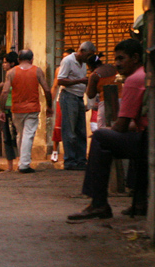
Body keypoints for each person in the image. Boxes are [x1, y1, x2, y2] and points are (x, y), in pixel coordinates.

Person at [68, 39, 147, 221]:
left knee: (100, 138)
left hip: (145, 139)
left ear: (135, 58)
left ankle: (98, 203)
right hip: (145, 134)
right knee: (104, 135)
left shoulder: (133, 80)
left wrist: (109, 130)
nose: (117, 63)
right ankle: (140, 201)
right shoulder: (143, 75)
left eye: (121, 58)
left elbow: (122, 125)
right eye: (115, 59)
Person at [0, 49, 53, 174]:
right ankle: (24, 164)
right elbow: (47, 90)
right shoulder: (37, 71)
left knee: (21, 134)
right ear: (31, 59)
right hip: (32, 108)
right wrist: (49, 106)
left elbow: (5, 91)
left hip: (16, 108)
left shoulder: (11, 72)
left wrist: (1, 109)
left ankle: (22, 161)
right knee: (28, 134)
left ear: (18, 60)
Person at [56, 41, 95, 171]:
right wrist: (79, 81)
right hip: (68, 96)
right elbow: (60, 80)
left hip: (78, 97)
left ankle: (81, 160)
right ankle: (70, 160)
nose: (88, 58)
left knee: (81, 131)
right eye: (88, 55)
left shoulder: (83, 64)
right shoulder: (68, 61)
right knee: (69, 130)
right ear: (82, 51)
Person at [49, 48, 74, 162]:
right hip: (61, 99)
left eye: (66, 56)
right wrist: (50, 103)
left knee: (72, 127)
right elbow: (55, 86)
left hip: (73, 99)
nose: (64, 59)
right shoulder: (59, 70)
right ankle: (55, 151)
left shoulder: (76, 68)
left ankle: (70, 152)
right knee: (58, 125)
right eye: (63, 56)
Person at [0, 51, 19, 172]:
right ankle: (10, 165)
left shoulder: (16, 75)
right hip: (5, 109)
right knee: (6, 137)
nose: (3, 65)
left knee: (17, 136)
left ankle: (20, 161)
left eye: (5, 62)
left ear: (12, 63)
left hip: (15, 108)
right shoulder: (6, 77)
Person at [85, 53, 119, 130]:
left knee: (102, 127)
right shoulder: (112, 67)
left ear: (90, 66)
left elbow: (90, 95)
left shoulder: (95, 74)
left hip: (105, 103)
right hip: (120, 100)